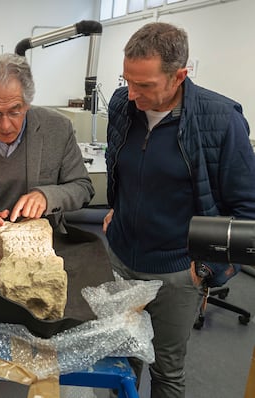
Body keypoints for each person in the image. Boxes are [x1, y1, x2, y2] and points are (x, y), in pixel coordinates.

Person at [103, 22, 255, 398]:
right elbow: (122, 165)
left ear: (180, 76)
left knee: (166, 370)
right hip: (122, 259)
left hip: (177, 271)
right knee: (120, 361)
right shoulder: (122, 105)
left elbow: (247, 211)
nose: (133, 94)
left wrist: (208, 268)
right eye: (127, 81)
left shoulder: (221, 120)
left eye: (146, 85)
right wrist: (116, 206)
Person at [0, 53, 94, 242]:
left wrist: (46, 196)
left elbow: (82, 187)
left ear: (27, 103)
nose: (5, 126)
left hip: (41, 241)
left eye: (15, 111)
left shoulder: (57, 128)